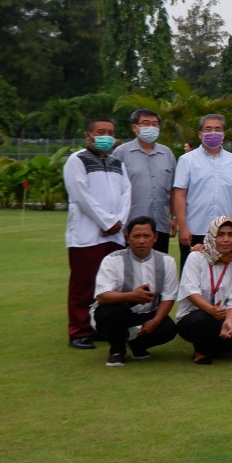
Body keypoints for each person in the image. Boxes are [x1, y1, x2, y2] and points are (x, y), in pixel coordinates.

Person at [63, 117, 134, 350]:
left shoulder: (116, 163)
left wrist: (119, 222)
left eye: (110, 132)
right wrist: (106, 222)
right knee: (84, 284)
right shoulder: (77, 160)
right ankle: (79, 331)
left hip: (114, 235)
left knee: (110, 285)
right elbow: (81, 196)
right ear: (89, 135)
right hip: (87, 234)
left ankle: (100, 326)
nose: (106, 136)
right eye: (101, 131)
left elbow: (127, 193)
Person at [91, 217, 180, 366]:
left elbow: (169, 296)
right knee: (113, 312)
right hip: (119, 311)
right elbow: (102, 296)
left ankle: (137, 345)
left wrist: (156, 321)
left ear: (155, 238)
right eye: (136, 236)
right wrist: (131, 296)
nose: (141, 241)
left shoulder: (167, 262)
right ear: (127, 237)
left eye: (146, 236)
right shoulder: (112, 260)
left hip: (147, 313)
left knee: (168, 328)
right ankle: (117, 350)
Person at [174, 216, 232, 364]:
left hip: (221, 315)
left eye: (230, 234)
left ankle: (214, 346)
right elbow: (190, 291)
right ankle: (200, 352)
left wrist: (228, 320)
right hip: (194, 316)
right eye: (220, 235)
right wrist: (210, 310)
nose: (226, 239)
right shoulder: (196, 257)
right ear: (211, 236)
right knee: (201, 320)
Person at [171, 114, 232, 268]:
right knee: (192, 277)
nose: (213, 133)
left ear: (224, 133)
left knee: (222, 276)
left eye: (218, 129)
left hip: (224, 232)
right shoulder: (187, 160)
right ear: (200, 134)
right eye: (208, 129)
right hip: (194, 230)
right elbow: (179, 194)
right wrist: (183, 228)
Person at [113, 108, 176, 252]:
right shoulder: (121, 153)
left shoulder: (167, 154)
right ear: (135, 127)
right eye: (146, 123)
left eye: (155, 124)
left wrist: (174, 217)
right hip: (131, 226)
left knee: (159, 267)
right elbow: (114, 190)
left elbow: (173, 189)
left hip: (160, 225)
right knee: (130, 270)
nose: (151, 128)